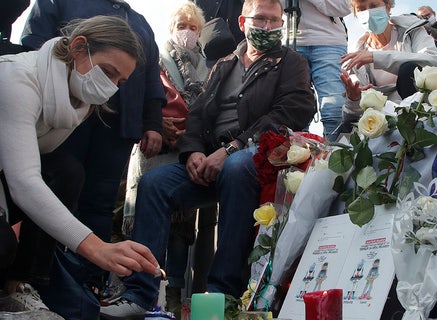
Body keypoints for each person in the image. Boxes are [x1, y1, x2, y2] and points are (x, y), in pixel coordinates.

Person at [99, 0, 316, 317]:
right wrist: (193, 153)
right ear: (242, 22)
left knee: (237, 167)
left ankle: (222, 294)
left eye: (274, 21)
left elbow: (292, 111)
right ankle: (139, 295)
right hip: (211, 157)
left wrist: (230, 149)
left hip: (255, 155)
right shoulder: (224, 64)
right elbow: (198, 115)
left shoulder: (291, 63)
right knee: (154, 184)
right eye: (261, 20)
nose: (268, 28)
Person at [0, 16, 158, 313]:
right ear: (78, 47)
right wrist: (98, 248)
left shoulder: (77, 102)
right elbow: (24, 182)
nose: (110, 87)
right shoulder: (16, 79)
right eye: (108, 72)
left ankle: (20, 285)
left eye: (119, 81)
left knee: (66, 171)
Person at [116, 1, 212, 314]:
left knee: (183, 227)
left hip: (190, 148)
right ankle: (139, 289)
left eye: (193, 27)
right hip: (156, 146)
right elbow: (145, 94)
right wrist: (156, 122)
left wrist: (192, 135)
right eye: (181, 26)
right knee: (151, 213)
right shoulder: (153, 58)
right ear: (171, 29)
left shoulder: (210, 66)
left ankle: (174, 294)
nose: (187, 32)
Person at [340, 0, 437, 125]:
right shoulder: (356, 57)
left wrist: (376, 57)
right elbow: (352, 116)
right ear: (355, 14)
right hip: (386, 123)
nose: (368, 13)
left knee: (408, 70)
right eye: (361, 9)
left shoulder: (411, 29)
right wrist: (354, 99)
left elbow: (434, 60)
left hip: (423, 109)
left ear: (388, 6)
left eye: (373, 6)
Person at [280, 0, 351, 141]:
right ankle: (299, 158)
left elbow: (346, 7)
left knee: (334, 108)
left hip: (329, 42)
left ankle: (335, 156)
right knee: (295, 110)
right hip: (288, 42)